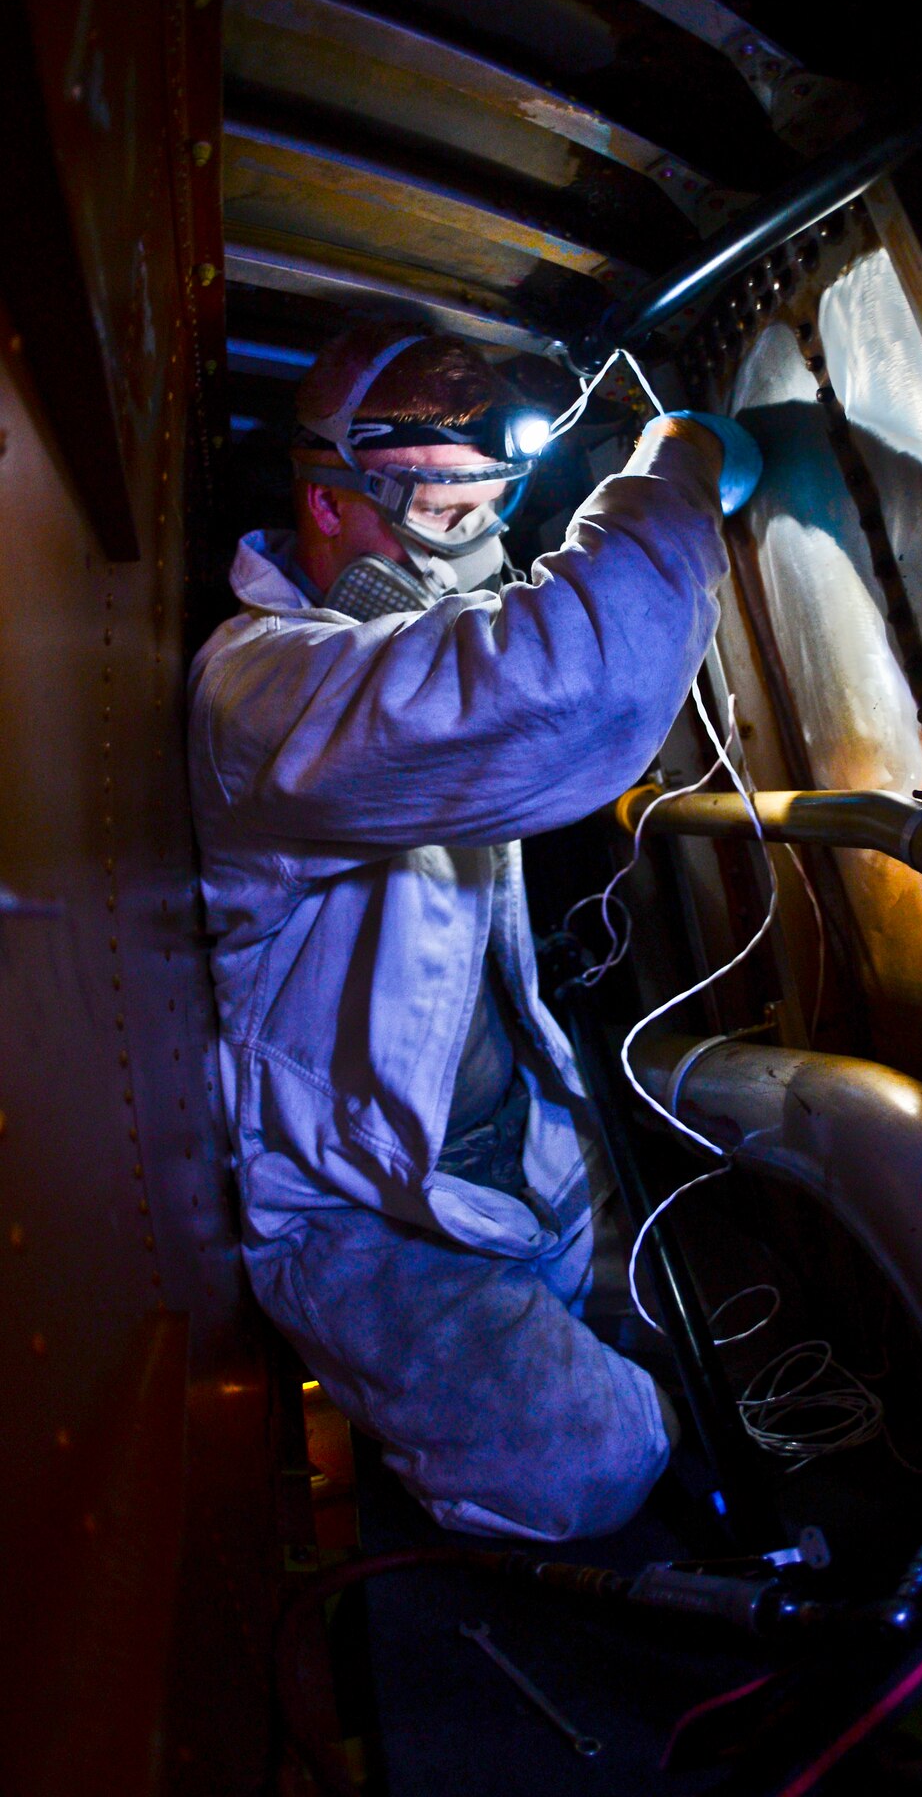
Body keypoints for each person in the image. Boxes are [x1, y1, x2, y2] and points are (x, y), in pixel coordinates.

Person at [187, 324, 730, 1540]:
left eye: (494, 511)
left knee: (681, 1343)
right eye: (442, 518)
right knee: (595, 1459)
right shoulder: (261, 687)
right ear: (329, 506)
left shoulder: (377, 659)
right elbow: (565, 677)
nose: (473, 555)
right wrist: (675, 466)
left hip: (502, 1151)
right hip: (360, 1212)